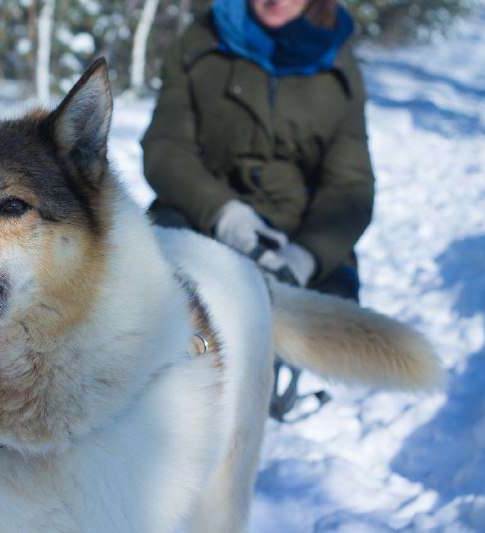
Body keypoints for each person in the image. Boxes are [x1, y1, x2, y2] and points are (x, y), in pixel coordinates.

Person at [141, 0, 375, 418]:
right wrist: (225, 214)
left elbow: (350, 185)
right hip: (204, 214)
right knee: (152, 280)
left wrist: (305, 256)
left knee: (331, 310)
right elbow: (165, 150)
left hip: (297, 231)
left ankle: (271, 368)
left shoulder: (338, 63)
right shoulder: (199, 42)